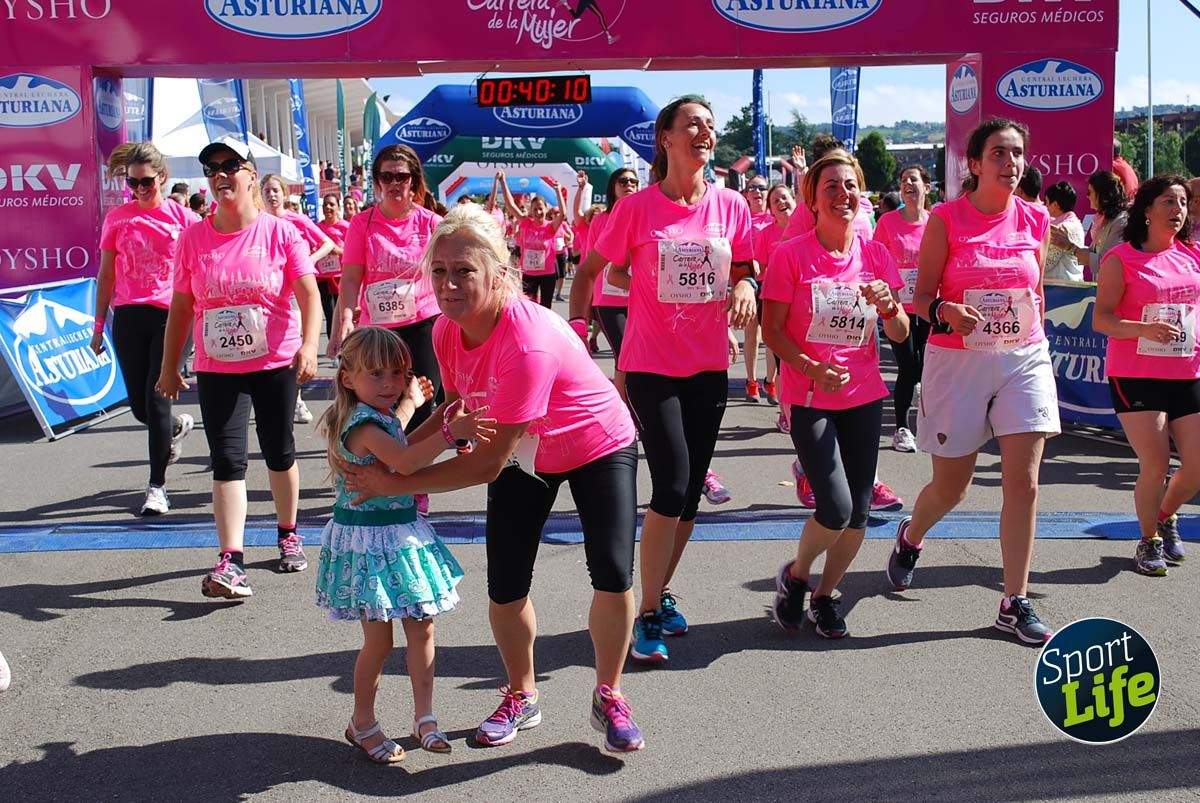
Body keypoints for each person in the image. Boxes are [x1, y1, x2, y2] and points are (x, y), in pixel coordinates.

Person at [344, 205, 647, 753]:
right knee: (506, 585)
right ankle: (522, 694)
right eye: (439, 271)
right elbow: (458, 409)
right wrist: (399, 456)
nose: (448, 285)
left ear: (498, 272)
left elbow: (484, 463)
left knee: (611, 572)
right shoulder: (445, 330)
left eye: (464, 271)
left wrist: (394, 482)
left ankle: (610, 693)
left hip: (594, 442)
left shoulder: (527, 340)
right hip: (526, 450)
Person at [569, 95, 757, 664]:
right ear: (666, 139)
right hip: (652, 364)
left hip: (709, 365)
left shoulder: (731, 205)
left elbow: (745, 266)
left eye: (709, 124)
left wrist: (744, 286)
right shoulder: (636, 209)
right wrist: (578, 331)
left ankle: (658, 590)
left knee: (691, 494)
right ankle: (646, 611)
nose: (704, 132)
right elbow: (592, 271)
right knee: (671, 486)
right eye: (691, 124)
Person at [887, 118, 1059, 645]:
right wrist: (945, 310)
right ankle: (912, 534)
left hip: (1022, 358)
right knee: (952, 487)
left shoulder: (1035, 217)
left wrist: (1035, 339)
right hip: (958, 362)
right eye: (999, 154)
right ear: (976, 164)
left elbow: (1037, 292)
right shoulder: (947, 218)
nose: (1011, 163)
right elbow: (920, 299)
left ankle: (1014, 600)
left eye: (1017, 154)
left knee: (1023, 482)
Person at [156, 140, 323, 597]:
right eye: (212, 168)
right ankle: (231, 559)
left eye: (230, 165)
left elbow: (309, 295)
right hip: (217, 365)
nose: (221, 175)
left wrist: (310, 346)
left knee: (278, 451)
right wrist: (170, 365)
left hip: (274, 360)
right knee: (227, 459)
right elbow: (182, 307)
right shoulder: (192, 238)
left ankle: (288, 532)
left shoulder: (281, 232)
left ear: (251, 174)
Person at [317, 326, 486, 762]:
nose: (389, 383)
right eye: (376, 374)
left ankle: (425, 718)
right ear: (348, 378)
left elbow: (402, 443)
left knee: (422, 627)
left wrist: (433, 413)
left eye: (397, 373)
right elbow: (406, 461)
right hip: (371, 542)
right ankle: (362, 722)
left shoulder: (379, 415)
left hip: (400, 534)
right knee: (379, 642)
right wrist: (450, 433)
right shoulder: (361, 424)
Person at [762, 151, 909, 638]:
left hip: (864, 395)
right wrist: (809, 367)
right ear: (813, 199)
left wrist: (890, 309)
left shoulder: (876, 255)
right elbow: (773, 329)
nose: (842, 194)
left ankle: (824, 595)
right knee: (835, 508)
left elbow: (901, 333)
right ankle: (797, 574)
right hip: (810, 396)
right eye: (831, 186)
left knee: (859, 513)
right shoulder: (791, 255)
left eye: (850, 185)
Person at [1093, 175, 1197, 575]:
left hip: (1187, 370)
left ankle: (1165, 515)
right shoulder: (1121, 258)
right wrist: (1142, 330)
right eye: (1169, 201)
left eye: (1183, 202)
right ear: (1148, 210)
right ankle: (1148, 539)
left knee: (1197, 464)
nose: (1178, 210)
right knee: (1155, 464)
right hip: (1136, 374)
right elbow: (1102, 319)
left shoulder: (1192, 255)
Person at [92, 142, 200, 516]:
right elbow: (106, 275)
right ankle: (174, 427)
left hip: (172, 316)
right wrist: (98, 325)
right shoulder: (117, 219)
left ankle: (157, 487)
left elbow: (201, 267)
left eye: (146, 182)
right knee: (141, 408)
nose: (139, 189)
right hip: (129, 316)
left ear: (162, 178)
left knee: (156, 400)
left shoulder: (184, 219)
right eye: (132, 182)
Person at [330, 144, 444, 441]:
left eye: (401, 176)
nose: (394, 183)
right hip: (378, 330)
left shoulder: (432, 223)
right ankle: (382, 462)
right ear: (377, 181)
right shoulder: (362, 223)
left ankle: (413, 467)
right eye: (386, 176)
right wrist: (345, 318)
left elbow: (448, 272)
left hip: (423, 324)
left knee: (420, 404)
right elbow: (351, 278)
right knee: (377, 403)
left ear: (413, 180)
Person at [261, 173, 335, 424]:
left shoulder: (297, 219)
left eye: (275, 190)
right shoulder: (257, 222)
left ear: (284, 194)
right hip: (268, 294)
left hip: (295, 292)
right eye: (267, 191)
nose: (272, 195)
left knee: (292, 343)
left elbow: (327, 243)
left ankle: (297, 398)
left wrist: (307, 262)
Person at [872, 165, 932, 453]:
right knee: (908, 365)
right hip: (898, 307)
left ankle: (924, 413)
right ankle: (902, 428)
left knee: (925, 365)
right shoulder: (887, 223)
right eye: (903, 180)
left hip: (928, 304)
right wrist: (888, 290)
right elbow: (875, 258)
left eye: (913, 179)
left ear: (926, 188)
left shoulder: (935, 222)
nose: (907, 184)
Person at [577, 167, 640, 392]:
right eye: (623, 181)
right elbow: (587, 266)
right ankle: (622, 405)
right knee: (623, 354)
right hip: (608, 300)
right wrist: (584, 309)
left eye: (634, 182)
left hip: (639, 297)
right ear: (613, 188)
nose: (629, 185)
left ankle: (636, 402)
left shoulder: (644, 217)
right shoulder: (600, 220)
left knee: (641, 356)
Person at [752, 183, 796, 411]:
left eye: (785, 198)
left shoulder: (809, 228)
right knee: (782, 358)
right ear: (770, 210)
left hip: (802, 301)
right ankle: (786, 413)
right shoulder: (766, 234)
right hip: (774, 301)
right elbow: (759, 270)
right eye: (775, 201)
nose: (781, 203)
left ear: (794, 200)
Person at [499, 173, 569, 309]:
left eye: (540, 209)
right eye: (535, 209)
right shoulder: (526, 223)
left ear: (546, 209)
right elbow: (510, 205)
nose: (538, 212)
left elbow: (563, 214)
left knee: (545, 307)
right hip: (529, 274)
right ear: (531, 210)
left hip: (547, 274)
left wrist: (558, 191)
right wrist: (503, 181)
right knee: (529, 306)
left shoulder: (550, 227)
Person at [786, 138, 875, 241]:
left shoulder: (863, 216)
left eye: (842, 160)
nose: (844, 193)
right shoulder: (804, 213)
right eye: (832, 162)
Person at [1051, 171, 1128, 282]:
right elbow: (1093, 253)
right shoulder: (1105, 220)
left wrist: (1070, 247)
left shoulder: (1121, 221)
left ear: (1103, 195)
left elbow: (1105, 262)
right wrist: (1069, 246)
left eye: (1090, 192)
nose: (1087, 196)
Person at [740, 175, 774, 402]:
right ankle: (751, 381)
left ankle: (770, 381)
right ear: (746, 194)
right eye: (752, 188)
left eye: (761, 188)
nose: (757, 191)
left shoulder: (776, 218)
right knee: (751, 334)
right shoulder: (742, 219)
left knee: (771, 335)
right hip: (750, 282)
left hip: (773, 283)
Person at [316, 193, 350, 338]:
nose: (328, 207)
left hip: (340, 277)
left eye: (331, 204)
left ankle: (344, 344)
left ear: (338, 207)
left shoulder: (346, 227)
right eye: (325, 204)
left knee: (342, 314)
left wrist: (336, 250)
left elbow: (353, 252)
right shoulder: (317, 228)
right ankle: (334, 347)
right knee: (329, 315)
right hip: (322, 278)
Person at [1044, 181, 1086, 282]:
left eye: (1046, 202)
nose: (1045, 206)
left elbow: (1047, 263)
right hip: (1072, 283)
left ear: (1055, 205)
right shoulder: (1076, 223)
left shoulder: (1060, 228)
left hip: (1059, 286)